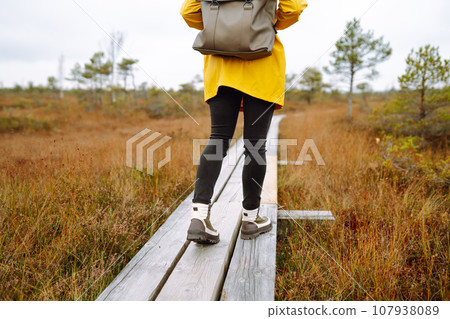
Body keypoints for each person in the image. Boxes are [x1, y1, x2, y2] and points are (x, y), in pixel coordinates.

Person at [180, 0, 308, 244]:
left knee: (217, 139)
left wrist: (224, 27)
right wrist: (259, 24)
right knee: (256, 146)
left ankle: (199, 216)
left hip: (221, 66)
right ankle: (251, 218)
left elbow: (188, 12)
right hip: (261, 62)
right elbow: (293, 8)